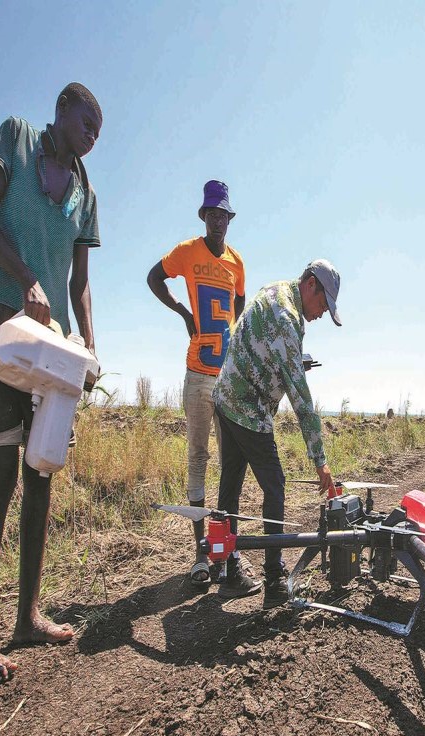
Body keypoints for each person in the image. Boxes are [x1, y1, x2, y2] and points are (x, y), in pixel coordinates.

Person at [0, 83, 103, 687]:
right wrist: (23, 278)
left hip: (56, 351)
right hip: (7, 325)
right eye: (86, 118)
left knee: (40, 470)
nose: (93, 131)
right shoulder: (16, 138)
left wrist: (90, 347)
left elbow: (78, 283)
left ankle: (26, 618)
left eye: (100, 128)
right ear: (60, 110)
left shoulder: (88, 193)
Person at [212, 260, 340, 607]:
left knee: (232, 481)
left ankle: (226, 569)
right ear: (310, 284)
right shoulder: (287, 319)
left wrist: (293, 363)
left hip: (225, 397)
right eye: (323, 304)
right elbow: (302, 400)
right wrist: (320, 462)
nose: (321, 314)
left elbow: (260, 346)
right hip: (246, 408)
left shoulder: (276, 290)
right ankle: (274, 580)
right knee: (275, 484)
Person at [147, 180, 246, 590]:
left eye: (224, 214)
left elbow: (238, 305)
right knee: (197, 458)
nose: (218, 221)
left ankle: (226, 550)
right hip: (196, 375)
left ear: (229, 217)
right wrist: (183, 313)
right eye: (212, 214)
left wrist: (232, 338)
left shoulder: (237, 262)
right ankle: (201, 553)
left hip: (225, 381)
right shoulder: (187, 252)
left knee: (229, 464)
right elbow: (155, 278)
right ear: (204, 216)